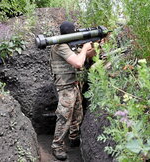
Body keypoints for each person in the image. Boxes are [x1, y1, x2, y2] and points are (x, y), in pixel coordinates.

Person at [50, 21, 96, 160]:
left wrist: (95, 46)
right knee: (64, 116)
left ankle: (74, 138)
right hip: (65, 86)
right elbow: (78, 62)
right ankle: (57, 146)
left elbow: (86, 55)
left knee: (77, 114)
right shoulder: (60, 46)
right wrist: (85, 48)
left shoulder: (70, 44)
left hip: (74, 84)